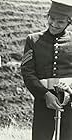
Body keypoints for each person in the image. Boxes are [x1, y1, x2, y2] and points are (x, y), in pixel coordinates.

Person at [21, 0, 72, 140]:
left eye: (60, 22)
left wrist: (70, 92)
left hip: (70, 103)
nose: (54, 24)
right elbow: (28, 73)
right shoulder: (33, 40)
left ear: (69, 22)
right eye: (52, 18)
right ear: (47, 16)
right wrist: (45, 95)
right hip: (43, 102)